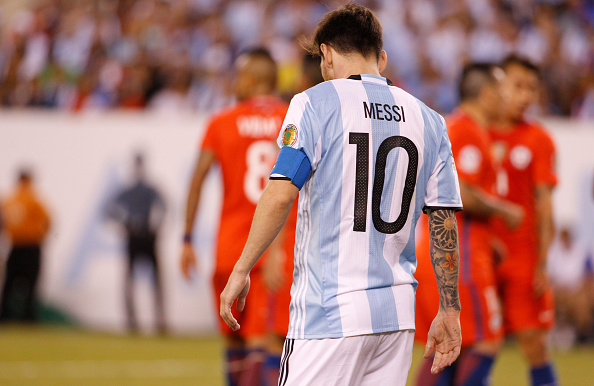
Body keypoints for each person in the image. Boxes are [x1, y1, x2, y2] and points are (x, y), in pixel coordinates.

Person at [220, 5, 463, 386]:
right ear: (380, 58)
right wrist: (450, 310)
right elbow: (443, 221)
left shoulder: (314, 103)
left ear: (327, 53)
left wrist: (241, 268)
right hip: (396, 321)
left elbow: (281, 193)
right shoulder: (429, 120)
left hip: (328, 313)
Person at [180, 47, 294, 386]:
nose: (234, 82)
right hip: (269, 248)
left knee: (234, 340)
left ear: (255, 78)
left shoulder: (221, 122)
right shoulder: (292, 119)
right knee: (262, 342)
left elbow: (198, 177)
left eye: (239, 75)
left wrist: (186, 238)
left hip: (229, 249)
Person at [414, 63, 525, 385]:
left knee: (447, 346)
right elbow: (459, 191)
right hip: (460, 259)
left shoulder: (457, 127)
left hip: (451, 250)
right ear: (488, 95)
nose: (508, 98)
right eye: (504, 89)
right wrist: (505, 211)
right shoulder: (466, 130)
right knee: (486, 341)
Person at [489, 55, 558, 386]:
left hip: (522, 256)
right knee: (476, 344)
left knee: (534, 342)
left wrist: (543, 261)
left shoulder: (538, 139)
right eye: (518, 86)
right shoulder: (475, 131)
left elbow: (545, 206)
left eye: (532, 88)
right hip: (482, 254)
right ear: (497, 85)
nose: (526, 96)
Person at [105, 154, 166, 334]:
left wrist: (157, 225)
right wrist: (124, 223)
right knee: (130, 280)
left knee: (156, 280)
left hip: (147, 235)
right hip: (134, 236)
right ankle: (132, 320)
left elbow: (163, 207)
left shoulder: (148, 189)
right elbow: (109, 210)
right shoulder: (130, 190)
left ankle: (159, 319)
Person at [0, 169, 51, 322]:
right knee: (32, 285)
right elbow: (47, 222)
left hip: (15, 247)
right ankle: (28, 318)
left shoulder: (9, 199)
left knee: (9, 284)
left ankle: (4, 317)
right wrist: (38, 236)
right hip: (32, 247)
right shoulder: (35, 200)